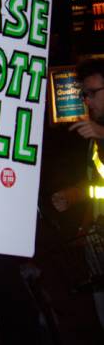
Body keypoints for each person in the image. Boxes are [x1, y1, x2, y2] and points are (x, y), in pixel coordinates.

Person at [51, 57, 104, 326]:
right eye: (84, 94)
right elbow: (98, 185)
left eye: (92, 93)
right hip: (98, 240)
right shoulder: (94, 138)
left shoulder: (99, 132)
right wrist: (74, 195)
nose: (87, 100)